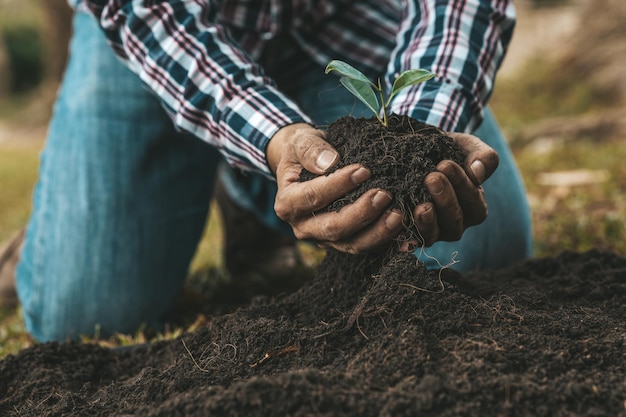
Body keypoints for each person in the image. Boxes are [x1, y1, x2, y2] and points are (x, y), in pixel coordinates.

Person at [7, 0, 532, 342]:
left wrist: (420, 135)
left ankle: (243, 193)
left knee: (478, 245)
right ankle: (61, 225)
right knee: (81, 312)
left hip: (332, 17)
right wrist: (272, 138)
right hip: (155, 34)